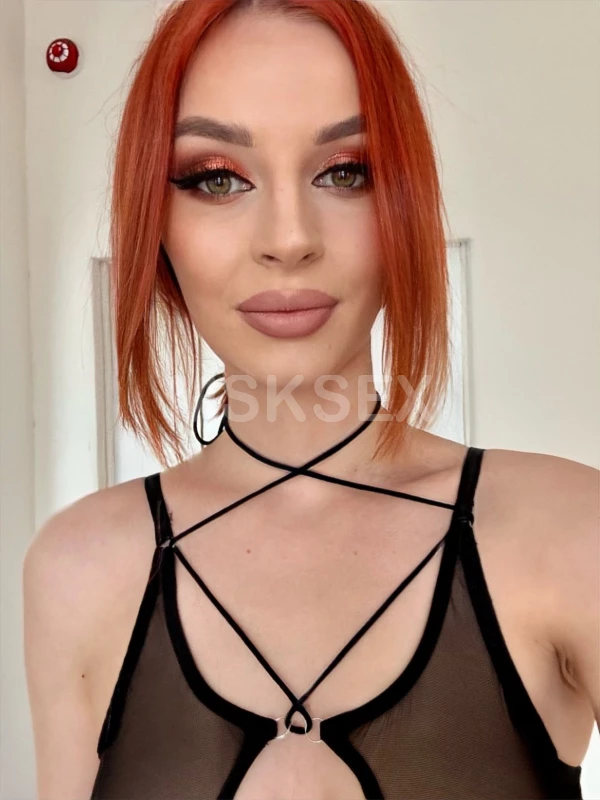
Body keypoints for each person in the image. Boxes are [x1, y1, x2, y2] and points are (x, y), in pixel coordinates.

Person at [23, 0, 598, 798]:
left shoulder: (570, 531)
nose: (289, 238)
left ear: (403, 203)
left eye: (346, 172)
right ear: (156, 220)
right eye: (216, 178)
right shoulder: (76, 570)